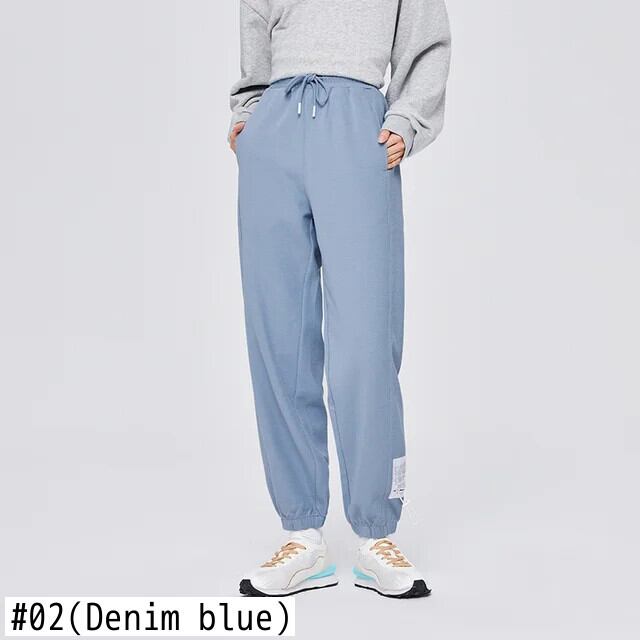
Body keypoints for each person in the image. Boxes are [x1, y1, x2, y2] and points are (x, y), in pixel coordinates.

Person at [228, 0, 451, 599]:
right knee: (279, 339)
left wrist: (406, 119)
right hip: (275, 128)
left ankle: (376, 533)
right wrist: (249, 118)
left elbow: (427, 41)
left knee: (366, 341)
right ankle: (302, 535)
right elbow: (254, 34)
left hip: (357, 126)